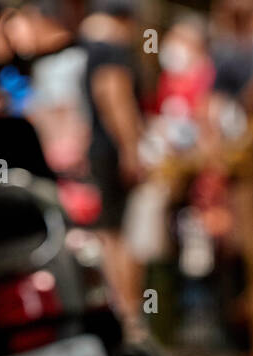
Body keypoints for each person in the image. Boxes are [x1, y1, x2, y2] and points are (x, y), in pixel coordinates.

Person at [81, 0, 146, 332]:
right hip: (111, 152)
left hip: (97, 150)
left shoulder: (87, 45)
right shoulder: (112, 49)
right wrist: (131, 149)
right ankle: (128, 315)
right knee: (121, 236)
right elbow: (114, 95)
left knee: (108, 234)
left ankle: (118, 311)